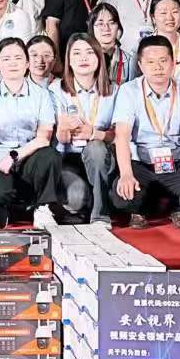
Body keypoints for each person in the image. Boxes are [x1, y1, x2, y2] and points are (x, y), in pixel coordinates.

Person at [110, 35, 180, 229]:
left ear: (173, 63)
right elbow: (121, 136)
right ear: (140, 65)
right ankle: (142, 209)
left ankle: (178, 209)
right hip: (141, 163)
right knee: (121, 197)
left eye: (163, 61)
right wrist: (126, 174)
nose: (157, 67)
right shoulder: (129, 91)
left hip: (176, 162)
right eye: (150, 62)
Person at [0, 37, 63, 225]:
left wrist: (14, 155)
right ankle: (7, 207)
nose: (12, 63)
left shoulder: (41, 95)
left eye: (18, 58)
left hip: (27, 157)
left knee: (50, 156)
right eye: (6, 59)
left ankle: (42, 207)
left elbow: (44, 138)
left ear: (27, 63)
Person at [54, 33, 117, 222]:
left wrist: (94, 133)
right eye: (76, 53)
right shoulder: (56, 90)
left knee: (96, 147)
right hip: (69, 157)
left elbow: (118, 135)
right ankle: (84, 199)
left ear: (99, 57)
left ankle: (100, 216)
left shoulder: (115, 90)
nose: (83, 58)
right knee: (75, 199)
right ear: (68, 60)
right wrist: (64, 128)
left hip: (102, 158)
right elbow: (59, 139)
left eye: (89, 52)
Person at [88, 2, 130, 84]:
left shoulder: (129, 61)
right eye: (100, 23)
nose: (106, 28)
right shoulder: (84, 58)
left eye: (112, 23)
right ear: (92, 28)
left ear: (118, 27)